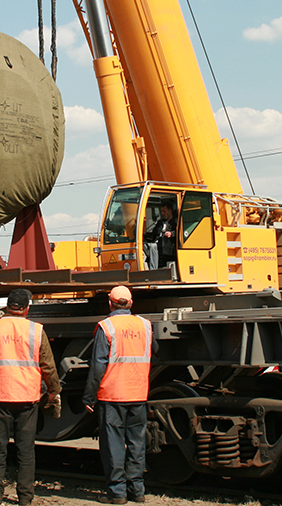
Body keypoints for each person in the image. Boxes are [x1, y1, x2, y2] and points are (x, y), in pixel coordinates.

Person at [0, 289, 61, 506]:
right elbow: (48, 366)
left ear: (7, 306)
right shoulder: (36, 330)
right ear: (27, 308)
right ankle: (25, 498)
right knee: (26, 450)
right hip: (27, 397)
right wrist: (53, 392)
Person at [83, 286, 155, 504]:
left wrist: (89, 396)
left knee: (113, 445)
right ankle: (137, 491)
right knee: (137, 443)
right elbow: (155, 348)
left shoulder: (106, 327)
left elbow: (98, 366)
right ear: (131, 303)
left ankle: (117, 494)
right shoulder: (145, 325)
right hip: (138, 393)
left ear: (110, 304)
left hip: (112, 395)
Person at [144, 201, 176, 270]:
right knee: (142, 246)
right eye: (161, 211)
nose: (162, 213)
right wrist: (144, 234)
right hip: (157, 243)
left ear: (170, 211)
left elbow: (180, 232)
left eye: (164, 211)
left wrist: (171, 233)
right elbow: (154, 234)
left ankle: (153, 269)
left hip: (167, 246)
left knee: (153, 246)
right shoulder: (160, 222)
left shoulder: (175, 222)